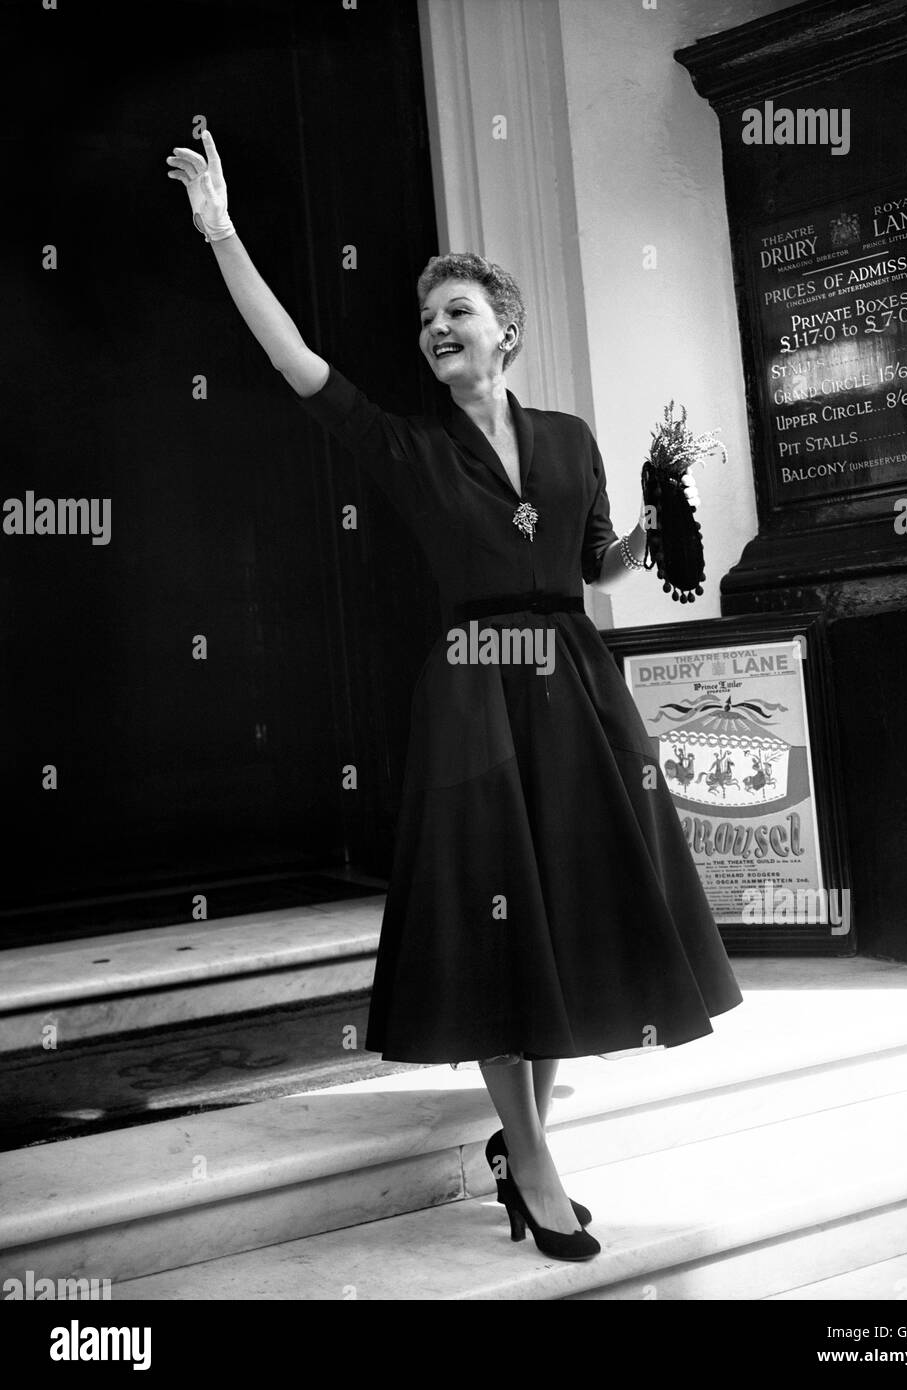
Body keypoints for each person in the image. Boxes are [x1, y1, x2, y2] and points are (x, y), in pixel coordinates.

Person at [166, 130, 742, 1264]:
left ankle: (523, 1147)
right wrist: (223, 232)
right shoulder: (404, 448)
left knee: (563, 912)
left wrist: (659, 517)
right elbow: (292, 360)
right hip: (475, 695)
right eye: (428, 318)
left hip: (577, 687)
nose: (438, 328)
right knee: (496, 920)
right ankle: (530, 1159)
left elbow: (592, 567)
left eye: (459, 311)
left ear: (505, 331)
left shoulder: (570, 439)